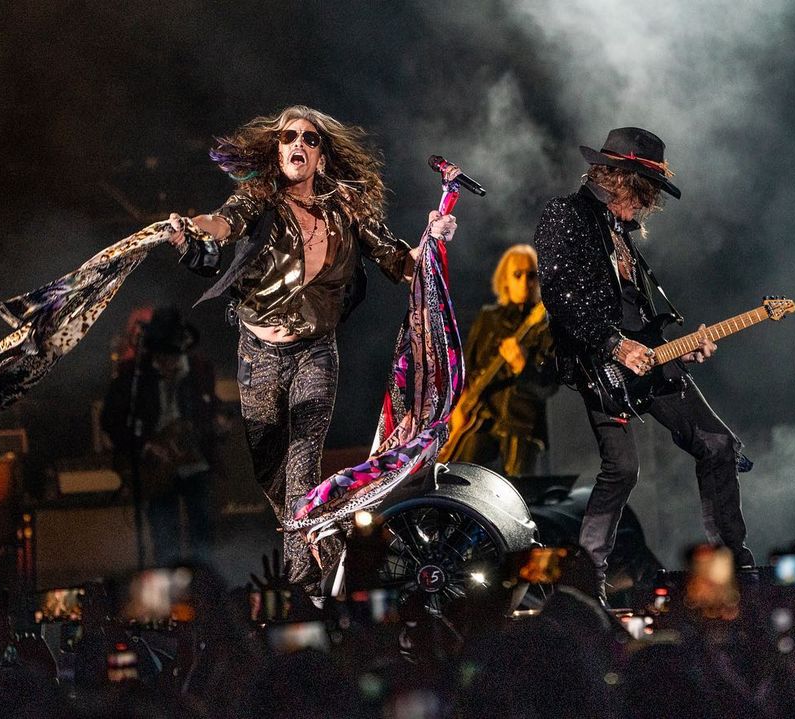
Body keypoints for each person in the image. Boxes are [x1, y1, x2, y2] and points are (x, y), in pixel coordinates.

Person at [167, 105, 458, 597]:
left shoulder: (347, 207)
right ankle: (331, 541)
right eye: (287, 137)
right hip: (259, 353)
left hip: (316, 351)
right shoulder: (258, 198)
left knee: (302, 463)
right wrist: (191, 228)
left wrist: (433, 240)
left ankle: (306, 588)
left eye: (308, 138)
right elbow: (221, 224)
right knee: (271, 472)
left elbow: (401, 265)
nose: (297, 144)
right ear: (277, 149)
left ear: (321, 155)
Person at [533, 127, 754, 604]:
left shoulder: (620, 231)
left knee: (716, 444)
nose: (650, 203)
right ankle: (584, 582)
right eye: (647, 191)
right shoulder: (566, 214)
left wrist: (678, 347)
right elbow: (560, 296)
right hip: (600, 364)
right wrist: (615, 346)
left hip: (650, 358)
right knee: (622, 469)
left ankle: (733, 567)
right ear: (622, 180)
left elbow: (636, 312)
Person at [100, 306, 221, 565]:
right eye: (160, 356)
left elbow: (211, 409)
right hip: (154, 467)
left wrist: (220, 420)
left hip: (193, 462)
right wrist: (146, 445)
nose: (165, 363)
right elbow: (110, 419)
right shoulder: (133, 373)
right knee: (164, 533)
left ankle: (203, 579)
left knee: (202, 528)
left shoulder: (200, 370)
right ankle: (168, 580)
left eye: (170, 356)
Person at [443, 245, 559, 476]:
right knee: (460, 478)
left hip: (522, 424)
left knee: (517, 489)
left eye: (532, 275)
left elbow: (548, 386)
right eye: (518, 274)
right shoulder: (488, 318)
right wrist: (458, 406)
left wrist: (522, 366)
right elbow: (464, 368)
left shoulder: (544, 327)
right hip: (479, 417)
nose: (525, 281)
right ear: (505, 279)